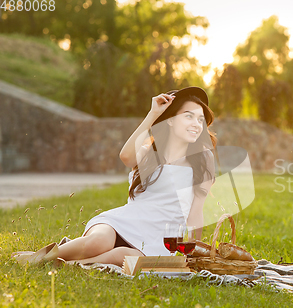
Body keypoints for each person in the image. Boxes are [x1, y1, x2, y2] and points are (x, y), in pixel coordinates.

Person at [14, 86, 217, 266]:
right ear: (170, 121)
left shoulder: (203, 159)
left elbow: (196, 211)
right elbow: (126, 156)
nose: (197, 124)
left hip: (161, 237)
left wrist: (192, 250)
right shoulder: (149, 151)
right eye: (188, 116)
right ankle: (38, 258)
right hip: (125, 222)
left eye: (201, 119)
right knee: (97, 242)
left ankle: (69, 264)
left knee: (122, 256)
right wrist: (153, 114)